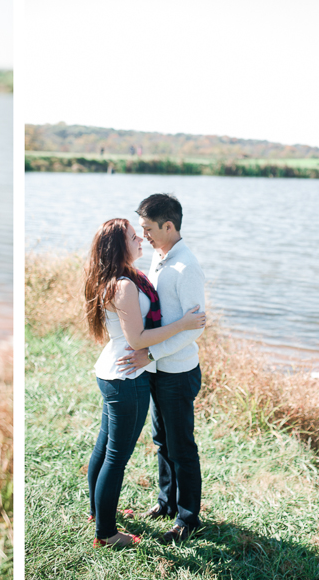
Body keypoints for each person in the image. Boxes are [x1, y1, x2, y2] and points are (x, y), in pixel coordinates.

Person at [84, 218, 206, 548]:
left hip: (115, 370)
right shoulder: (123, 284)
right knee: (114, 458)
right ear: (117, 246)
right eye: (134, 235)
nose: (141, 239)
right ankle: (107, 534)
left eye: (144, 232)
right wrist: (183, 323)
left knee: (105, 449)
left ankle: (99, 514)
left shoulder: (121, 277)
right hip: (128, 375)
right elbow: (137, 339)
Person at [118, 193, 206, 544]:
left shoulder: (188, 267)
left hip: (178, 372)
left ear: (168, 226)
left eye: (149, 229)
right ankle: (166, 502)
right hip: (158, 370)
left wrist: (151, 354)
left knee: (181, 446)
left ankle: (188, 518)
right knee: (161, 441)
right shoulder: (158, 256)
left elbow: (196, 326)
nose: (145, 236)